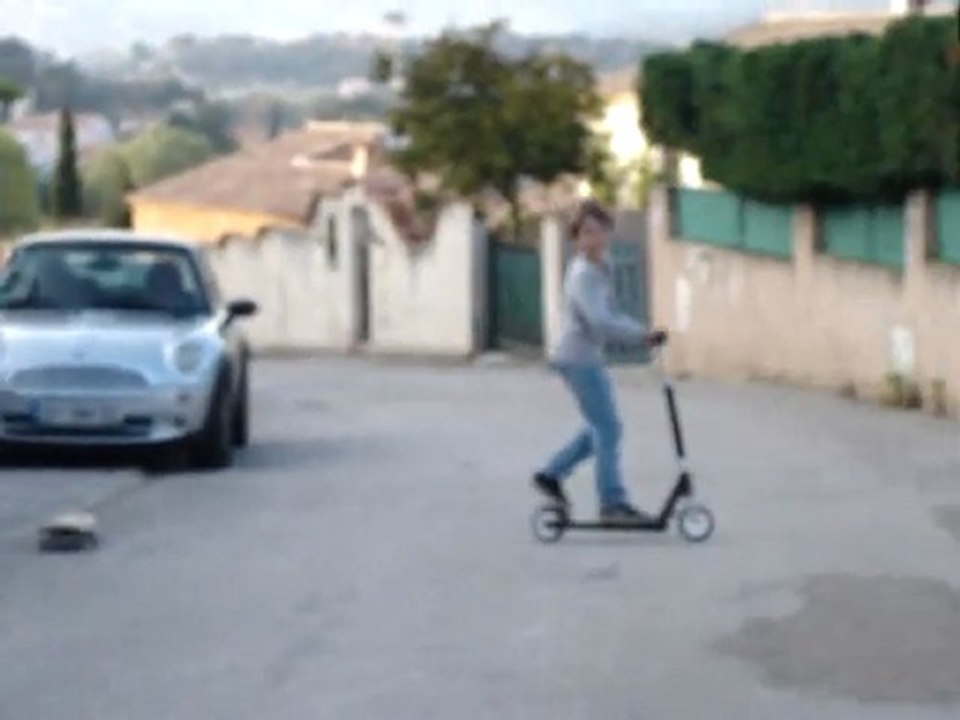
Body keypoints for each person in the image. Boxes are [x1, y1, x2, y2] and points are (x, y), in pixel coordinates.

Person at [532, 199, 666, 525]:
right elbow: (599, 320)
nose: (593, 238)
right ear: (576, 239)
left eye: (599, 230)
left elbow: (610, 313)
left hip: (586, 355)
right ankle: (612, 502)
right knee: (607, 427)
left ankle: (552, 473)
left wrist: (640, 332)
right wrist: (641, 335)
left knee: (602, 426)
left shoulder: (603, 264)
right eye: (585, 233)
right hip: (577, 357)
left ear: (608, 232)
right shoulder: (583, 274)